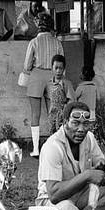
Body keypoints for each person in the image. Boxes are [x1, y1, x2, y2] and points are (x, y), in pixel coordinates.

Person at [19, 13, 63, 157]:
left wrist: (29, 71)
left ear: (38, 26)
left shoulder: (33, 42)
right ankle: (55, 147)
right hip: (52, 76)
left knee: (35, 114)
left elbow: (27, 65)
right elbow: (62, 63)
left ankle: (36, 149)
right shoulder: (57, 42)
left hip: (36, 76)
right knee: (54, 113)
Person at [44, 54, 75, 132]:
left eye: (60, 68)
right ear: (52, 68)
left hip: (63, 116)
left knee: (62, 135)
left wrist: (65, 112)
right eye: (56, 68)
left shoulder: (67, 83)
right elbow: (48, 100)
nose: (58, 71)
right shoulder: (48, 84)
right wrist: (50, 114)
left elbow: (72, 100)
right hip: (52, 117)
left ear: (64, 69)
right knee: (53, 136)